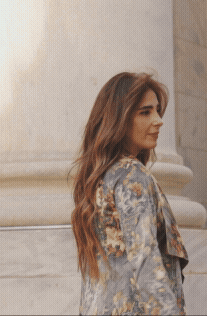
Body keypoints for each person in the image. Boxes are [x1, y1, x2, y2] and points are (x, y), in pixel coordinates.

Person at [71, 72, 189, 315]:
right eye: (145, 112)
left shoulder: (100, 177)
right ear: (119, 119)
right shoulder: (132, 176)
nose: (158, 120)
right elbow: (146, 259)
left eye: (157, 110)